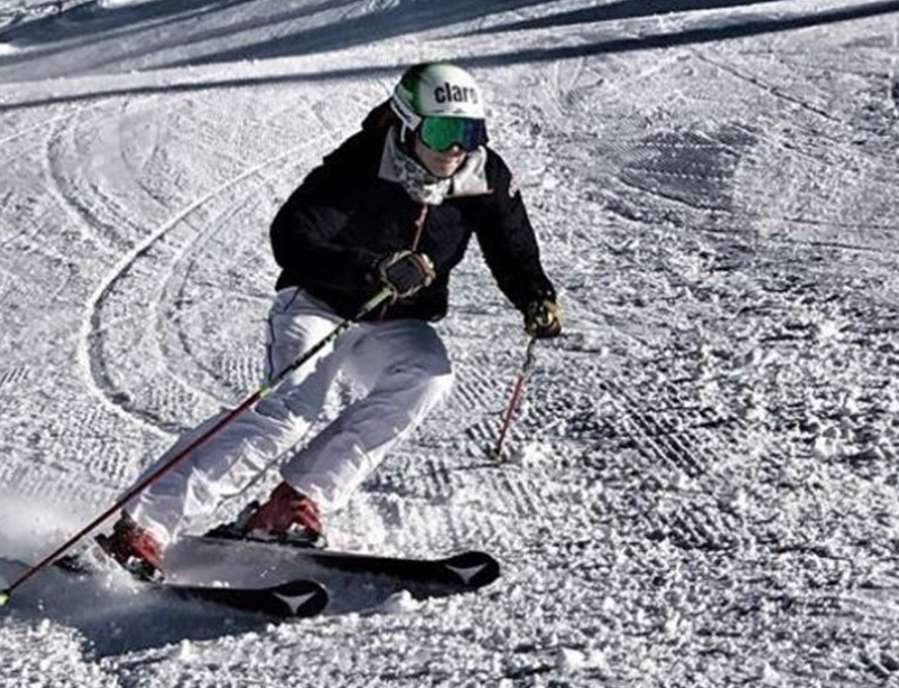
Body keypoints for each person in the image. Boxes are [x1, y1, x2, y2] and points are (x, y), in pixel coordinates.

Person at [90, 62, 563, 580]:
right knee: (290, 409)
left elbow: (511, 242)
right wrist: (370, 269)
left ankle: (293, 501)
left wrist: (534, 295)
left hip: (394, 320)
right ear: (407, 123)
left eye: (470, 132)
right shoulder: (360, 165)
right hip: (317, 303)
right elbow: (290, 237)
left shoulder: (482, 174)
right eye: (443, 130)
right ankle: (140, 525)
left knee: (428, 375)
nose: (457, 147)